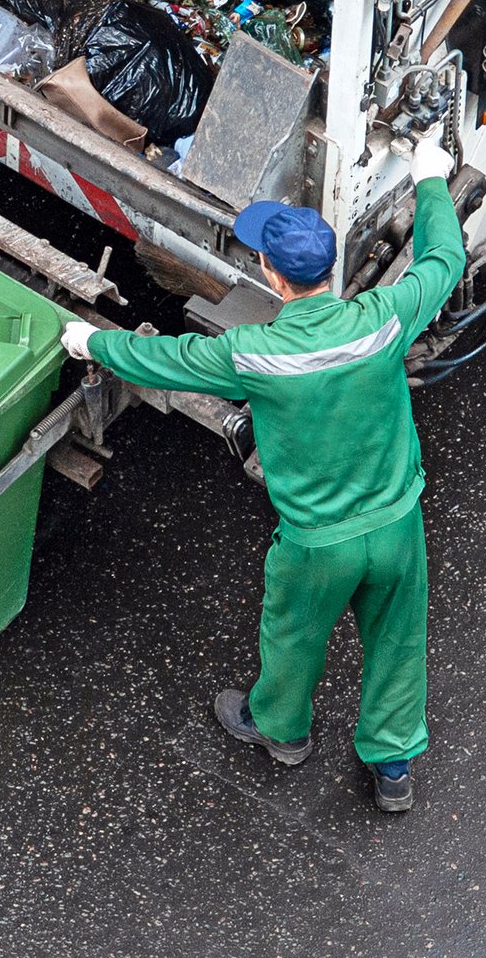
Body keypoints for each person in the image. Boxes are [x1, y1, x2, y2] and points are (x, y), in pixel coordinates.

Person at [64, 138, 465, 812]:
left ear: (273, 277)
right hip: (397, 525)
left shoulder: (256, 353)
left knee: (294, 634)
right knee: (398, 640)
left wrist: (90, 341)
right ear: (328, 268)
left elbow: (168, 360)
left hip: (317, 542)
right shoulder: (383, 320)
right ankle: (393, 766)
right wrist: (429, 181)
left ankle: (282, 731)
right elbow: (443, 259)